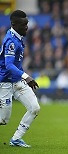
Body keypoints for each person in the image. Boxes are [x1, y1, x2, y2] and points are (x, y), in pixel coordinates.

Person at [0, 10, 40, 148]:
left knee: (34, 108)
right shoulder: (11, 40)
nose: (26, 27)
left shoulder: (17, 37)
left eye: (27, 24)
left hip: (17, 80)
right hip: (5, 82)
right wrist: (27, 76)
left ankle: (16, 139)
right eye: (24, 24)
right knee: (3, 120)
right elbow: (9, 65)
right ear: (14, 24)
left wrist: (23, 76)